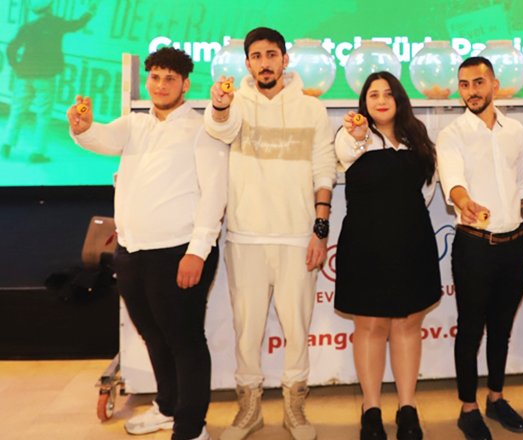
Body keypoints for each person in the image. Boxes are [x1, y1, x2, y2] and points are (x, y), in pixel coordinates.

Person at [68, 47, 227, 440]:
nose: (160, 85)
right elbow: (100, 138)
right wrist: (82, 127)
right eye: (155, 76)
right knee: (154, 336)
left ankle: (191, 428)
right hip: (131, 253)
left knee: (185, 341)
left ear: (185, 85)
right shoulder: (135, 123)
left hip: (179, 253)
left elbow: (215, 196)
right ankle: (168, 407)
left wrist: (197, 252)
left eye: (170, 78)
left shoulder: (203, 129)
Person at [204, 27, 336, 440]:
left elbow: (324, 169)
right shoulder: (235, 102)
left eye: (272, 55)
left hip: (298, 237)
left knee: (297, 329)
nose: (265, 63)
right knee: (247, 331)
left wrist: (319, 229)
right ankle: (250, 410)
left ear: (284, 60)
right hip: (245, 237)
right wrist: (220, 106)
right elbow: (220, 129)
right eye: (257, 56)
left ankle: (295, 410)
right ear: (247, 63)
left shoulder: (311, 108)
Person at [334, 71, 442, 440]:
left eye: (387, 93)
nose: (381, 100)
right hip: (365, 244)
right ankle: (371, 409)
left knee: (408, 324)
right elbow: (348, 151)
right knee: (371, 326)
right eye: (373, 94)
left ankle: (407, 408)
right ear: (363, 103)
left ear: (399, 99)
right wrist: (359, 134)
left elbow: (427, 191)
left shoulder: (418, 138)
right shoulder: (352, 135)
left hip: (412, 242)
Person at [436, 56, 523, 440]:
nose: (471, 91)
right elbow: (453, 182)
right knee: (470, 330)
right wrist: (465, 203)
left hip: (513, 245)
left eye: (478, 82)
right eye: (464, 84)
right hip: (474, 246)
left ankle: (496, 397)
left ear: (494, 85)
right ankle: (468, 408)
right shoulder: (452, 134)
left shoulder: (516, 130)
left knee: (501, 330)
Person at [4, 0, 95, 162]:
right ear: (49, 9)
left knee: (18, 110)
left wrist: (17, 67)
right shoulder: (56, 24)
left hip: (25, 75)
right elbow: (76, 25)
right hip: (46, 76)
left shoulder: (28, 27)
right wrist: (90, 13)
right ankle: (38, 152)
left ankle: (7, 144)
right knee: (43, 114)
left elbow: (11, 48)